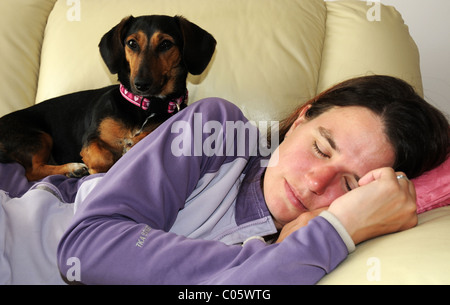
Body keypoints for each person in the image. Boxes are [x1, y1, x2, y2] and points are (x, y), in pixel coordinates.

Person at [4, 75, 448, 284]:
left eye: (350, 186)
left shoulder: (295, 254)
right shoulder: (216, 131)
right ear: (301, 120)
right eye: (320, 147)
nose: (316, 183)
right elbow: (88, 248)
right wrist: (330, 234)